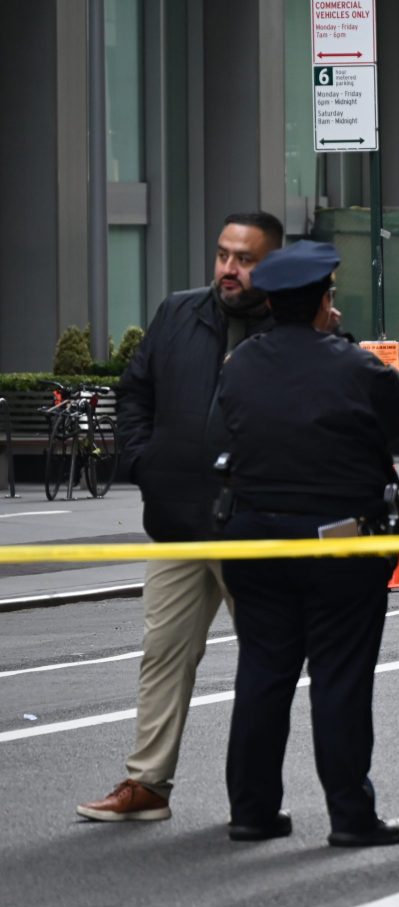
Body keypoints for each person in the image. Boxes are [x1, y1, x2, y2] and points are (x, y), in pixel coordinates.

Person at [77, 212, 282, 823]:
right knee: (163, 653)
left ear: (272, 264)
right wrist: (145, 463)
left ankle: (254, 801)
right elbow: (135, 392)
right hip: (177, 520)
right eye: (223, 255)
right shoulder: (178, 312)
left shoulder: (291, 324)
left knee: (266, 665)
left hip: (251, 527)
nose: (228, 268)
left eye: (244, 259)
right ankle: (147, 785)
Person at [215, 240, 399, 846]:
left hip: (254, 539)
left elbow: (223, 431)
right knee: (340, 678)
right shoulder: (360, 369)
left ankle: (252, 811)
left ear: (271, 303)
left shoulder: (239, 364)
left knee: (262, 673)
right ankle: (350, 816)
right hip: (339, 542)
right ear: (327, 301)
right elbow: (390, 424)